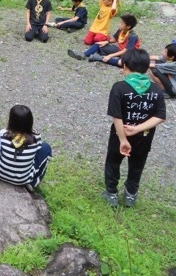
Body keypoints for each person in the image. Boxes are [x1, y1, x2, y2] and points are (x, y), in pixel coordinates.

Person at [101, 48, 166, 207]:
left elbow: (117, 116)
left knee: (113, 162)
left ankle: (111, 193)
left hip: (120, 135)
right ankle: (130, 195)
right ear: (146, 68)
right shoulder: (156, 90)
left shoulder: (119, 88)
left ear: (125, 66)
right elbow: (160, 116)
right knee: (137, 165)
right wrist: (138, 129)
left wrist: (123, 139)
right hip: (144, 137)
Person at [0, 105, 52, 191]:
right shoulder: (35, 138)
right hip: (22, 180)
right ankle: (33, 183)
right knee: (46, 147)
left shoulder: (2, 134)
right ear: (31, 122)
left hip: (0, 175)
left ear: (11, 121)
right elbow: (38, 143)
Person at [68, 14, 139, 66]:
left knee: (123, 63)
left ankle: (99, 58)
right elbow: (114, 39)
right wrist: (106, 41)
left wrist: (110, 55)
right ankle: (83, 55)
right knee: (99, 44)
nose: (119, 24)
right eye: (120, 22)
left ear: (128, 26)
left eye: (121, 23)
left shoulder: (133, 36)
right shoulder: (121, 30)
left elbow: (125, 51)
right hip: (119, 49)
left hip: (129, 54)